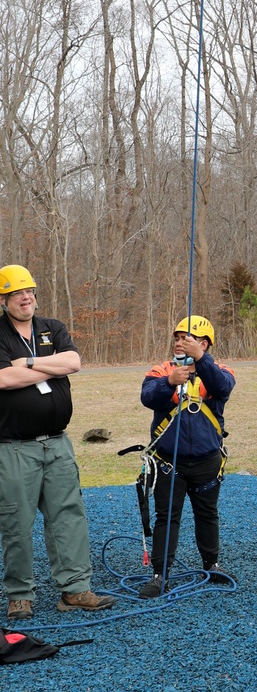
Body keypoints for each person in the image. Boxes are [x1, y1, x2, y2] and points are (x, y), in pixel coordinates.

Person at [0, 264, 114, 621]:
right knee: (16, 522)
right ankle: (20, 595)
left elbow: (74, 362)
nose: (26, 298)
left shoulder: (53, 328)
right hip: (15, 446)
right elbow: (4, 379)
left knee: (69, 516)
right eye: (17, 293)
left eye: (30, 291)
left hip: (58, 443)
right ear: (4, 300)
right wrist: (50, 367)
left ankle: (75, 589)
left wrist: (31, 361)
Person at [138, 315, 235, 598]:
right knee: (166, 517)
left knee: (208, 514)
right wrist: (169, 381)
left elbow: (223, 388)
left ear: (203, 343)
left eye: (187, 338)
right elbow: (148, 397)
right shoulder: (161, 370)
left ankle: (211, 564)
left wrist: (200, 360)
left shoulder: (218, 370)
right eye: (178, 338)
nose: (180, 342)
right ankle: (160, 575)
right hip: (169, 461)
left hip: (207, 459)